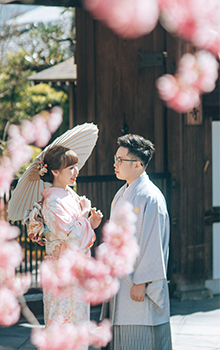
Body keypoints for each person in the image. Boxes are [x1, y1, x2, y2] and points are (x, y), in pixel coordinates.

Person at [26, 145, 103, 339]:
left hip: (75, 267)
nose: (76, 172)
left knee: (78, 322)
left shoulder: (70, 195)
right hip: (61, 269)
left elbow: (79, 231)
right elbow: (72, 235)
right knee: (61, 321)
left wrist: (91, 223)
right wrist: (85, 213)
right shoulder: (52, 201)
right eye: (71, 168)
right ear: (55, 171)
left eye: (76, 166)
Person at [104, 134, 172, 350]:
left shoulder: (150, 196)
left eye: (120, 160)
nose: (115, 164)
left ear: (138, 164)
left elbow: (153, 241)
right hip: (122, 277)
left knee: (142, 338)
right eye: (115, 159)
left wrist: (142, 281)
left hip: (138, 282)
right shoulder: (123, 192)